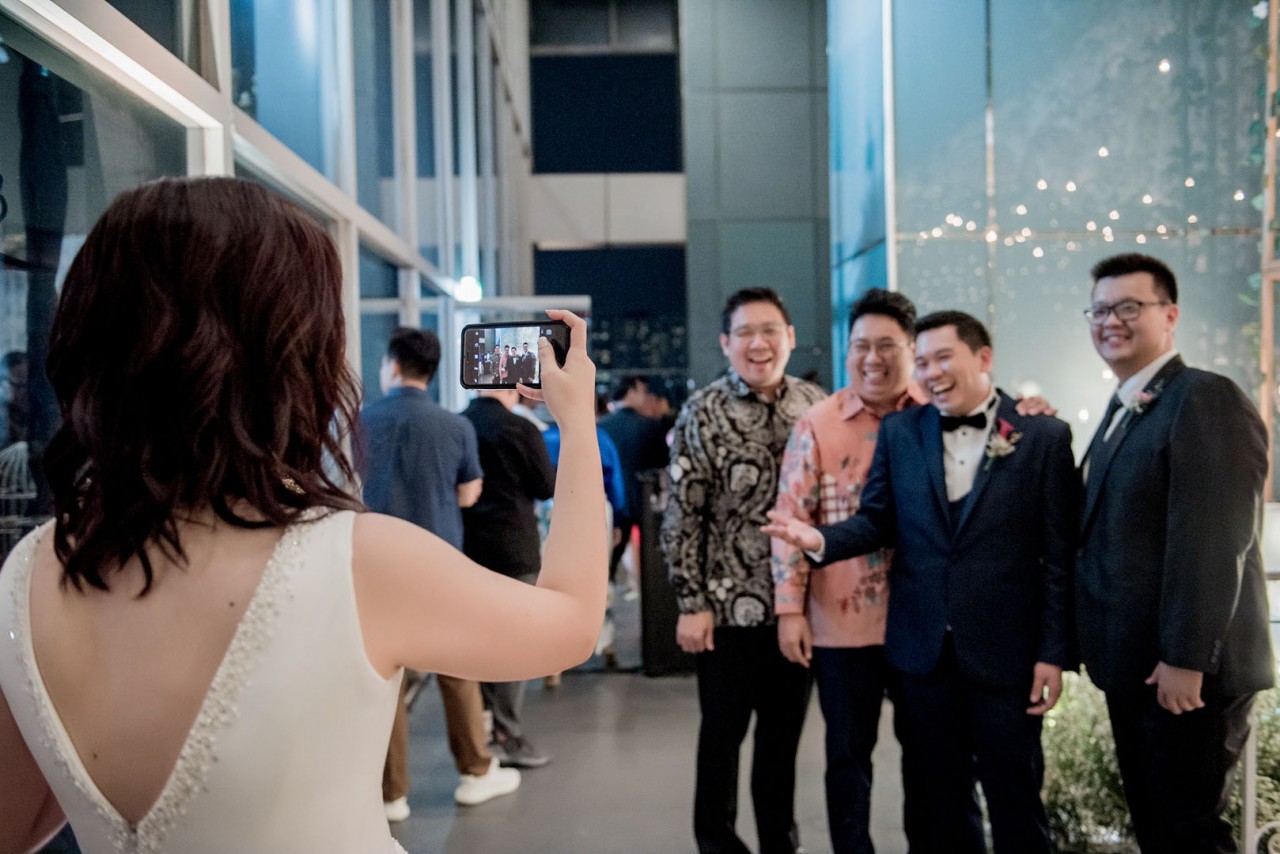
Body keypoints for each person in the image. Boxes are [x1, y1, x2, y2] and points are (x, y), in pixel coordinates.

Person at [0, 177, 606, 854]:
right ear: (291, 353)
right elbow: (573, 624)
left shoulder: (30, 572)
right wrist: (577, 426)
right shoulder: (356, 561)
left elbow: (18, 822)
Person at [765, 310, 1076, 854]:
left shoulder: (1042, 436)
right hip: (924, 652)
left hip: (1006, 653)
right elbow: (876, 521)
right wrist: (818, 540)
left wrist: (1053, 652)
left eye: (942, 358)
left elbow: (1058, 556)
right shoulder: (902, 432)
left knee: (1016, 796)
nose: (931, 373)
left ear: (983, 357)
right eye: (924, 361)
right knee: (941, 797)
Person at [1076, 254, 1274, 853]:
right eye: (1099, 310)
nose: (1111, 321)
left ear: (1170, 314)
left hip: (1187, 674)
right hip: (1136, 666)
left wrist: (1186, 658)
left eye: (1128, 307)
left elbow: (1215, 538)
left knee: (1189, 832)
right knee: (1159, 829)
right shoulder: (1124, 407)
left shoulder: (1204, 398)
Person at [662, 287, 826, 854]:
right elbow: (684, 515)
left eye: (770, 330)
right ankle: (718, 844)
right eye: (746, 333)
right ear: (726, 343)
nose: (759, 344)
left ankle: (781, 843)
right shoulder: (702, 411)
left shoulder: (815, 405)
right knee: (722, 738)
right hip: (726, 609)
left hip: (799, 610)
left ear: (790, 337)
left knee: (782, 743)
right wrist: (691, 603)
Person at [770, 289, 928, 854]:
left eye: (887, 345)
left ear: (911, 349)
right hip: (840, 624)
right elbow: (790, 517)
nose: (872, 358)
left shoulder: (935, 412)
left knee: (931, 756)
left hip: (923, 622)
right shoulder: (818, 423)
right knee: (846, 758)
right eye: (861, 345)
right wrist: (790, 610)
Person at [358, 325, 520, 819]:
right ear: (431, 371)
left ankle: (391, 795)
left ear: (392, 366)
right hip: (439, 562)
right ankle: (475, 773)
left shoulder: (359, 421)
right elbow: (469, 494)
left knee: (385, 678)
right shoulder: (454, 426)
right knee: (457, 668)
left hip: (375, 566)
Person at [462, 388, 557, 768]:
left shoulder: (459, 424)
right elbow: (545, 486)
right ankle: (508, 734)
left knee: (478, 640)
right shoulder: (521, 428)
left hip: (466, 546)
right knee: (515, 641)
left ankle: (484, 723)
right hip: (514, 545)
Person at [598, 376, 668, 584]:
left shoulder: (601, 427)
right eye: (642, 392)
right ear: (631, 392)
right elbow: (663, 463)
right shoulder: (650, 426)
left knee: (607, 564)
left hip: (610, 502)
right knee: (651, 564)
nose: (645, 397)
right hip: (643, 501)